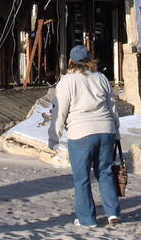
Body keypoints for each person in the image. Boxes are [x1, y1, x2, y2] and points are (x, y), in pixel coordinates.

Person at [48, 45, 121, 228]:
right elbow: (112, 107)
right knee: (105, 173)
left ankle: (87, 219)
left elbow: (60, 111)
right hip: (106, 130)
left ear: (70, 61)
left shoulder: (67, 81)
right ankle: (112, 213)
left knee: (82, 178)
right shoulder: (101, 78)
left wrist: (53, 138)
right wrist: (116, 131)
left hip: (81, 132)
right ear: (90, 59)